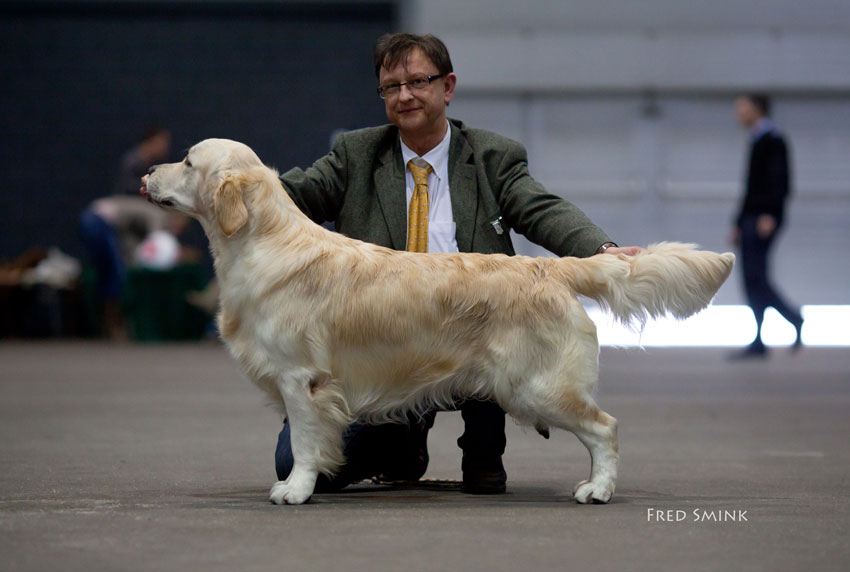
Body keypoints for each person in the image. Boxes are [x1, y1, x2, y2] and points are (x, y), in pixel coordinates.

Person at [274, 33, 641, 494]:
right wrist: (217, 188)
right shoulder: (356, 155)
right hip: (386, 350)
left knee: (488, 322)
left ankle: (483, 450)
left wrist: (600, 250)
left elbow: (540, 208)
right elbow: (292, 197)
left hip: (476, 336)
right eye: (391, 86)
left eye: (417, 81)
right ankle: (402, 445)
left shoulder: (491, 156)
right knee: (293, 462)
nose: (404, 95)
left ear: (447, 87)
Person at [729, 94, 803, 359]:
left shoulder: (773, 139)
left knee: (757, 277)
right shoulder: (757, 138)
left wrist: (769, 214)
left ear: (757, 109)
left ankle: (793, 318)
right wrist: (738, 222)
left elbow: (780, 181)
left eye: (742, 107)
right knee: (751, 279)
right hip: (752, 217)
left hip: (763, 218)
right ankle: (760, 339)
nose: (738, 113)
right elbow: (750, 187)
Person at [113, 125, 172, 195]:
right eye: (161, 142)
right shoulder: (133, 161)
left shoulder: (157, 162)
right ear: (151, 141)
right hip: (127, 199)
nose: (164, 147)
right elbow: (127, 186)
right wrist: (151, 185)